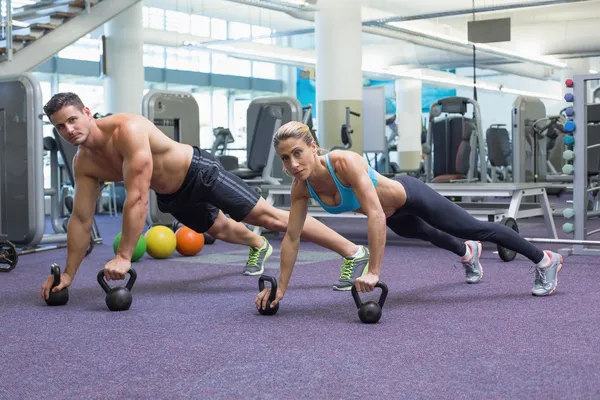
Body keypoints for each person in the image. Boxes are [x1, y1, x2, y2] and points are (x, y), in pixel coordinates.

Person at [40, 93, 370, 301]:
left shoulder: (128, 130)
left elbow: (137, 198)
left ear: (87, 112)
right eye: (60, 127)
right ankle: (258, 245)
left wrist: (124, 255)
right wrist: (68, 274)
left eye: (72, 119)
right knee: (219, 229)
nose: (69, 130)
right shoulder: (84, 163)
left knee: (267, 218)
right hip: (171, 193)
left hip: (200, 171)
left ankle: (352, 251)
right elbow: (82, 219)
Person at [255, 121, 563, 311]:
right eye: (285, 158)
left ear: (313, 147)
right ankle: (468, 253)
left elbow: (374, 213)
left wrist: (374, 270)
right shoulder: (301, 188)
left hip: (410, 195)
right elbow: (293, 236)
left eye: (297, 153)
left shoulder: (344, 163)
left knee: (474, 227)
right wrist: (281, 288)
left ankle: (545, 259)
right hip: (394, 215)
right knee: (429, 234)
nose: (293, 163)